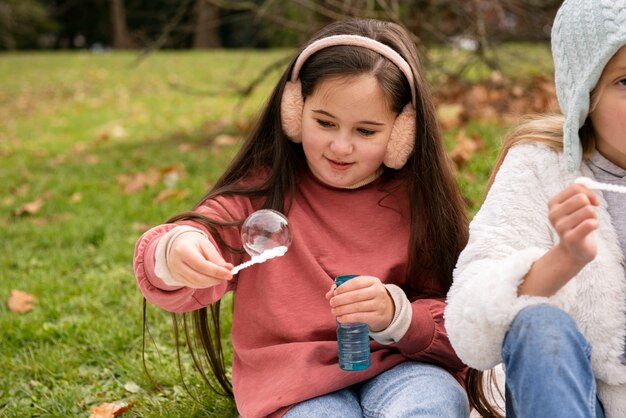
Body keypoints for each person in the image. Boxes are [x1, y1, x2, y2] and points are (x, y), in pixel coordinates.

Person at [134, 18, 479, 418]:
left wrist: (398, 315)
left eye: (366, 131)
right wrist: (176, 250)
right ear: (294, 111)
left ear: (402, 133)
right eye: (325, 122)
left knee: (432, 404)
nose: (341, 145)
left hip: (401, 366)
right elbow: (198, 235)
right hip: (294, 385)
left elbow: (461, 322)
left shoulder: (419, 204)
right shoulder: (262, 193)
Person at [445, 0, 626, 417]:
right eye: (625, 80)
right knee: (540, 327)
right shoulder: (541, 166)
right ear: (585, 93)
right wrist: (566, 258)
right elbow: (469, 326)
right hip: (577, 400)